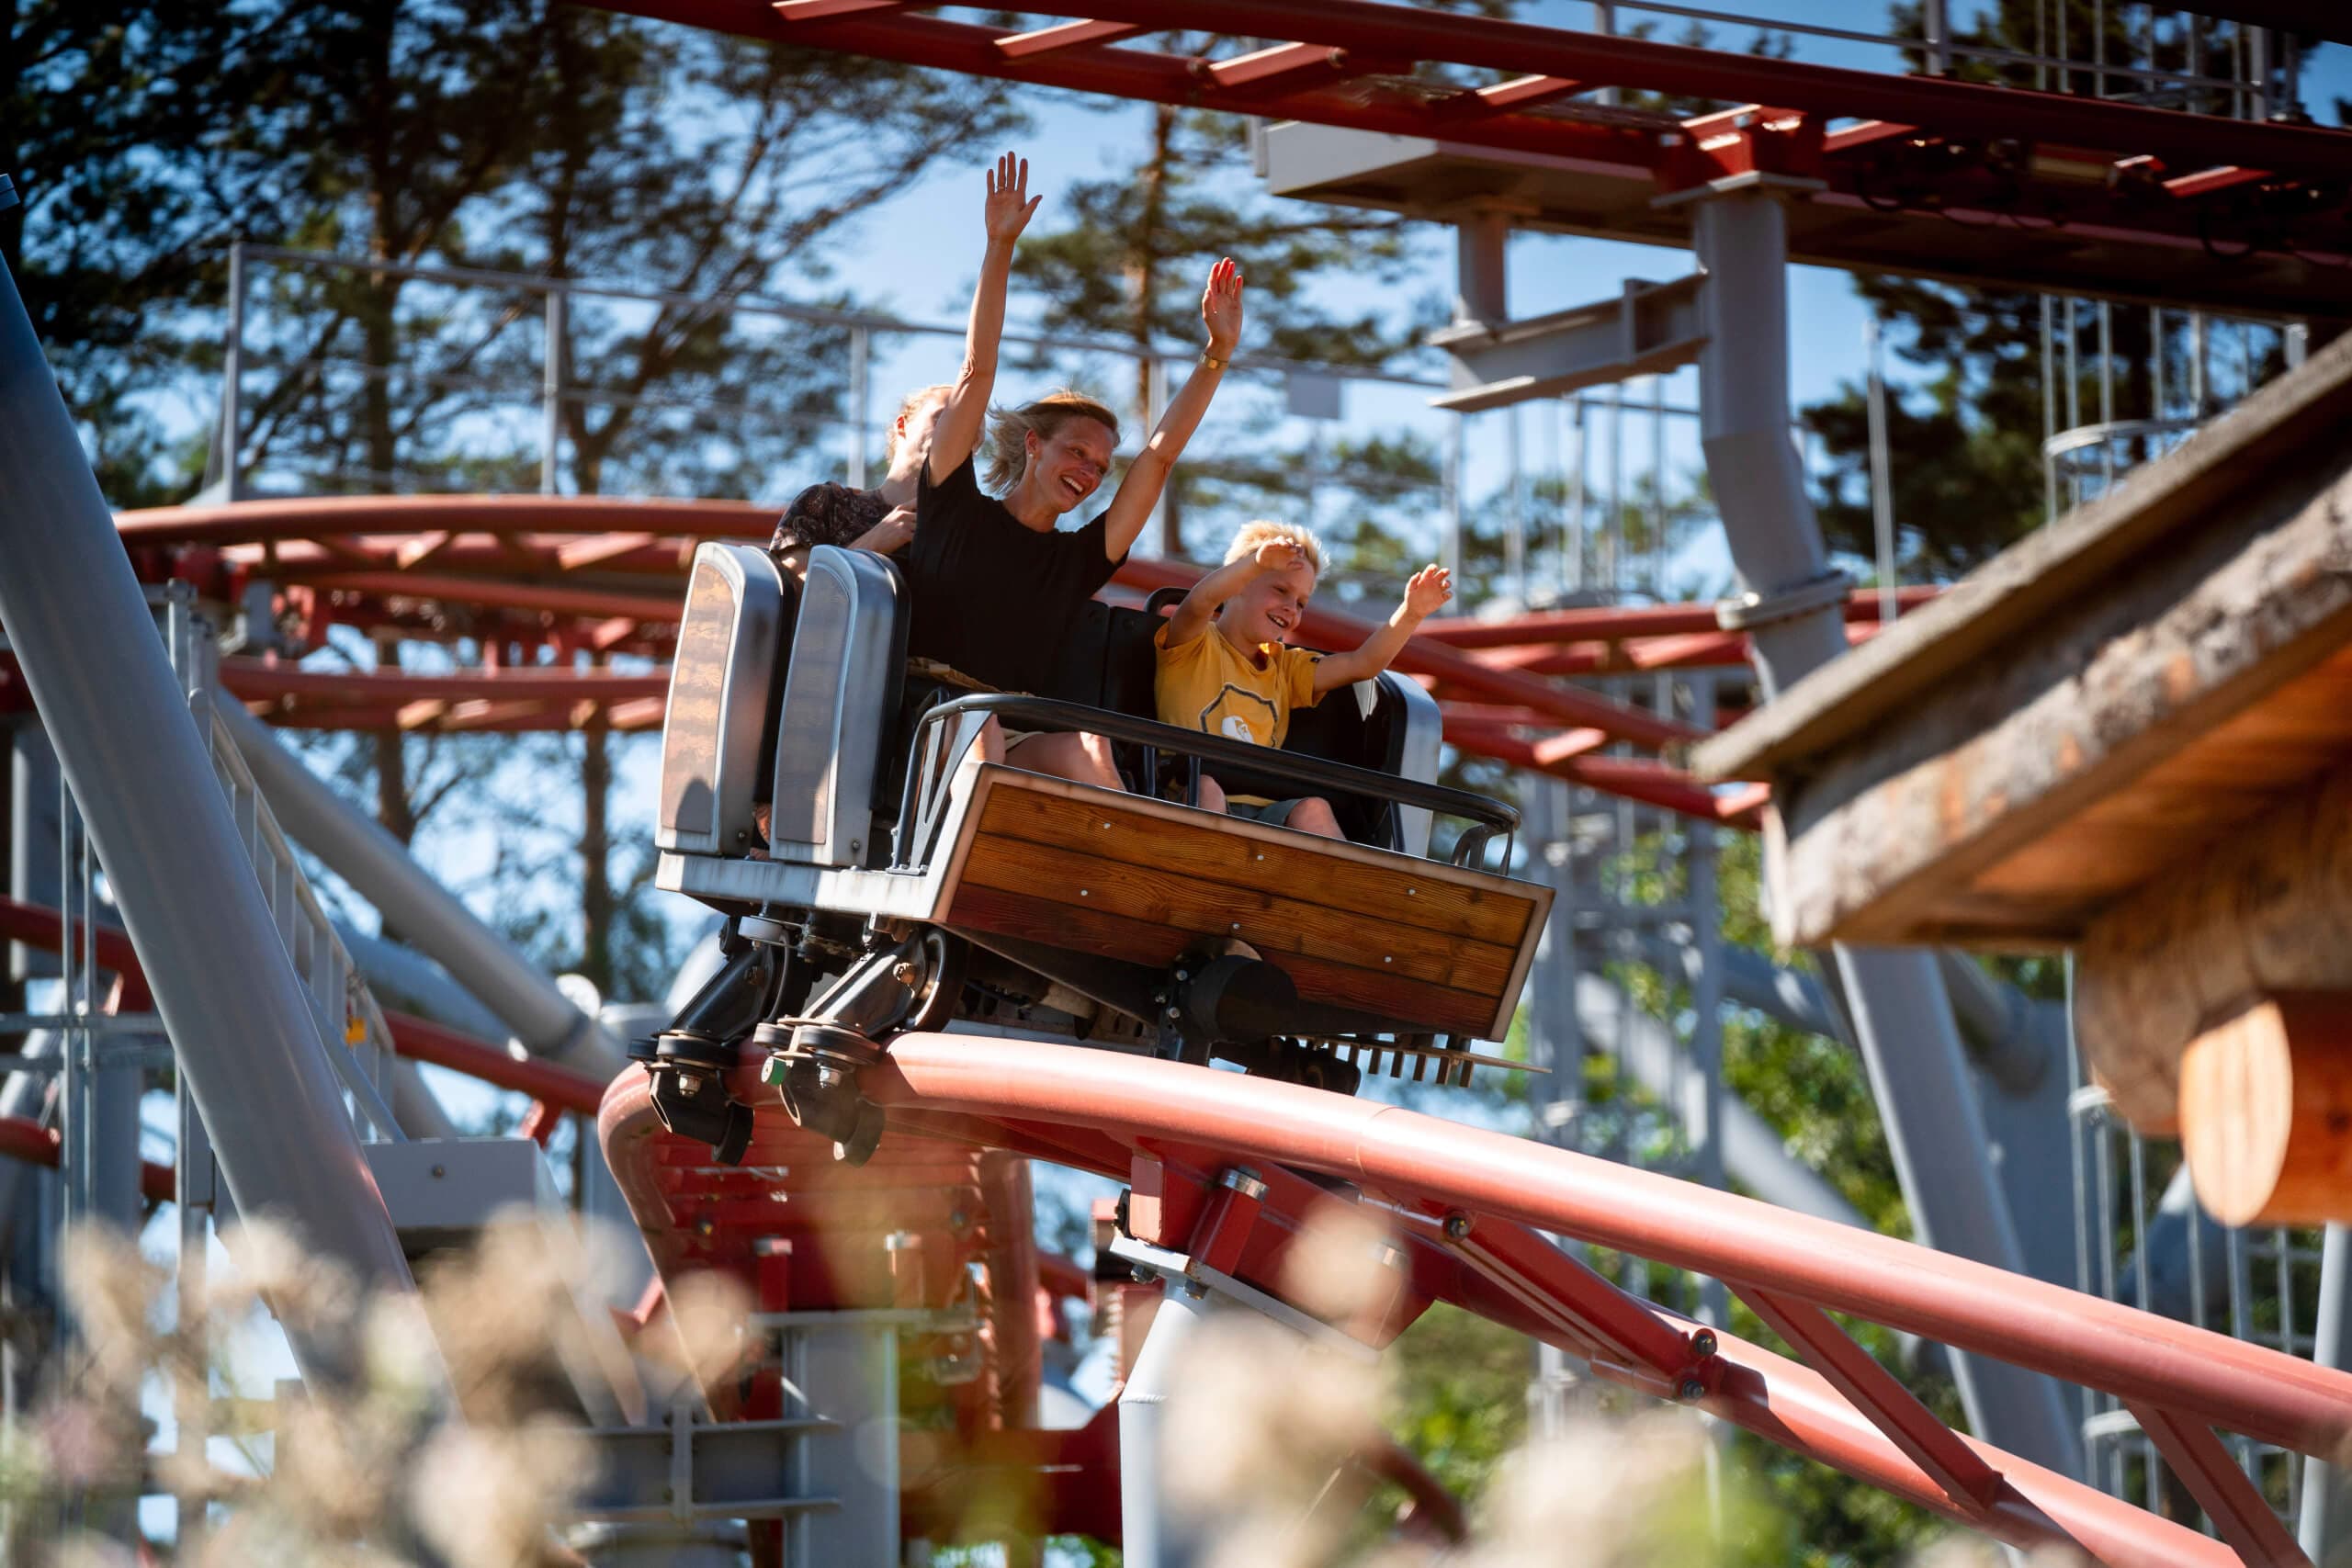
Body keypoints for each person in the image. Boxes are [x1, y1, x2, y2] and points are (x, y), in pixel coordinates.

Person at [902, 150, 1244, 790]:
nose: (1090, 473)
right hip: (922, 721)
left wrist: (1215, 356)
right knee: (980, 734)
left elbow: (1160, 455)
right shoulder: (954, 503)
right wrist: (1000, 246)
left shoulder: (1078, 558)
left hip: (1007, 727)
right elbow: (978, 369)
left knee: (1089, 748)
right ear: (1033, 445)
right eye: (1077, 453)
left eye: (1100, 466)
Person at [1154, 520, 1452, 840]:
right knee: (1207, 788)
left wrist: (1410, 613)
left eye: (1300, 603)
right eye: (1280, 590)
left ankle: (1350, 888)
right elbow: (1199, 602)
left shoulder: (1285, 667)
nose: (1290, 608)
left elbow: (1362, 664)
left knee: (1314, 809)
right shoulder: (1193, 643)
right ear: (1239, 584)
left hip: (1263, 814)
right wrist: (1254, 563)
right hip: (1184, 796)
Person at [765, 381, 951, 580]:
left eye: (971, 429)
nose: (953, 432)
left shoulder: (965, 530)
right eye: (942, 418)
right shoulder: (827, 502)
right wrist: (873, 542)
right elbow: (793, 590)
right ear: (902, 425)